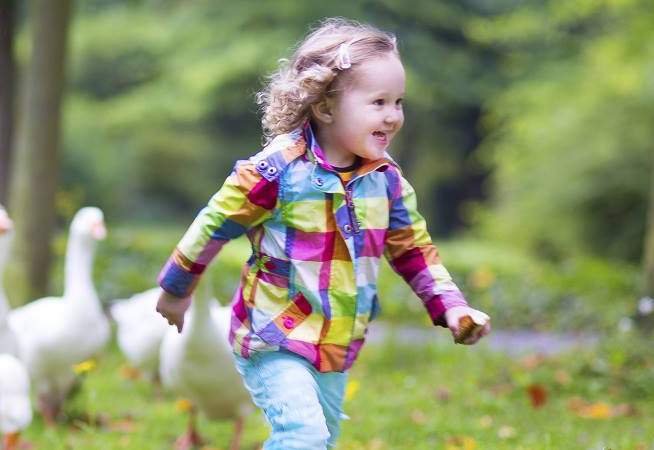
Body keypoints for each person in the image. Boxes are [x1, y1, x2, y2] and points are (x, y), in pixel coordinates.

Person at [154, 17, 491, 449]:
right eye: (378, 102)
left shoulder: (386, 183)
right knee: (303, 435)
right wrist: (177, 287)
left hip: (336, 343)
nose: (392, 117)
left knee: (323, 440)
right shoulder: (275, 171)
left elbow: (415, 253)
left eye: (399, 102)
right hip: (274, 335)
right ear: (326, 107)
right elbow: (213, 224)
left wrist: (452, 306)